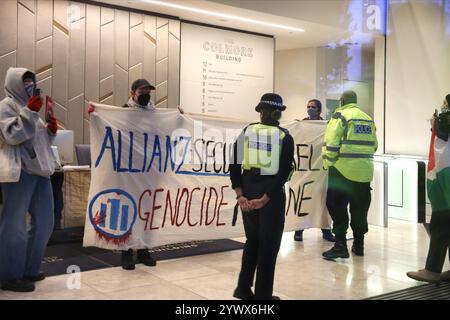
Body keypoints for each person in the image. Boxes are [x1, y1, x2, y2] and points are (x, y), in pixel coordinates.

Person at [230, 93, 294, 300]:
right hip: (271, 196)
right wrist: (265, 199)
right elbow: (284, 173)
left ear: (260, 111)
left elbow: (234, 164)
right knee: (269, 245)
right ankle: (263, 296)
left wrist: (240, 195)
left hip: (248, 191)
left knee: (253, 241)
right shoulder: (285, 137)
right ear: (278, 113)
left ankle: (242, 288)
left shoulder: (246, 132)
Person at [0, 67, 58, 292]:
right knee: (14, 225)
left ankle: (29, 269)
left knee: (45, 222)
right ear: (14, 82)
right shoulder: (5, 107)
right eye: (25, 82)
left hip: (40, 172)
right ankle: (8, 274)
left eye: (32, 81)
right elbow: (13, 136)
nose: (30, 85)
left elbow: (38, 139)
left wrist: (50, 129)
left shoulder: (28, 107)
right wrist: (30, 112)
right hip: (19, 172)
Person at [321, 90, 377, 259]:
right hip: (365, 173)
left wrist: (328, 163)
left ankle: (340, 246)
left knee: (337, 207)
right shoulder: (368, 119)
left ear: (342, 100)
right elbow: (374, 145)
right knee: (360, 209)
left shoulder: (340, 116)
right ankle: (359, 245)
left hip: (342, 171)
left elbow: (331, 143)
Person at [407, 94, 450, 283]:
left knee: (440, 226)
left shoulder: (445, 120)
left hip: (446, 182)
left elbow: (442, 142)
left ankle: (432, 270)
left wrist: (436, 122)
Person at [294, 99, 335, 242]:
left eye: (313, 107)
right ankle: (298, 230)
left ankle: (325, 230)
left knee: (322, 201)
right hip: (304, 168)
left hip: (320, 169)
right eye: (308, 107)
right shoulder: (302, 124)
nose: (310, 109)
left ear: (319, 110)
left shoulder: (326, 126)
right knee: (302, 199)